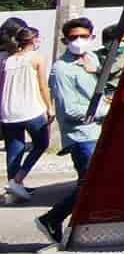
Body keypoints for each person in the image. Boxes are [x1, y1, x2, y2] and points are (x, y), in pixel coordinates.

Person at [37, 18, 105, 242]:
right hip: (82, 136)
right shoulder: (61, 69)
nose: (78, 41)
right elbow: (69, 110)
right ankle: (52, 219)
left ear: (92, 37)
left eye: (83, 37)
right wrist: (106, 110)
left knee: (92, 185)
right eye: (73, 37)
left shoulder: (92, 59)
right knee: (91, 185)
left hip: (98, 132)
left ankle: (76, 227)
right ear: (65, 40)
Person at [2, 21, 54, 204]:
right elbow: (43, 86)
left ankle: (14, 187)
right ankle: (17, 180)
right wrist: (50, 107)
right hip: (31, 109)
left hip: (8, 111)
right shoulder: (37, 58)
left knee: (14, 150)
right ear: (33, 40)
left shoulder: (8, 60)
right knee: (41, 144)